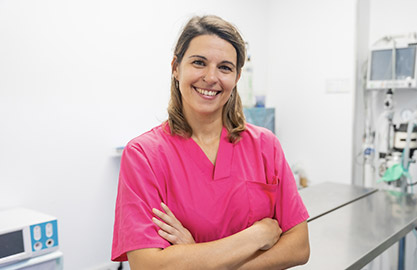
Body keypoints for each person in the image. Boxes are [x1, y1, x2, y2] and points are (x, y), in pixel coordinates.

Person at [111, 15, 310, 269]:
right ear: (176, 67)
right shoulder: (144, 155)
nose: (211, 77)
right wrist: (256, 235)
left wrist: (195, 256)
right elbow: (149, 264)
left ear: (237, 77)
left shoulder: (264, 146)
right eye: (199, 62)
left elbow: (299, 246)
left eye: (225, 67)